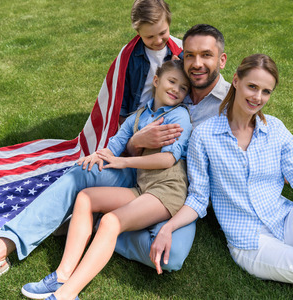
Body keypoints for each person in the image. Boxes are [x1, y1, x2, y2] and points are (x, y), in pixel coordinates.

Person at [0, 23, 231, 299]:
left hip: (174, 190)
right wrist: (136, 143)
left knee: (168, 257)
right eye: (190, 55)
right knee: (83, 173)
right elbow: (122, 143)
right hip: (139, 176)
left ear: (221, 60)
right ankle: (1, 252)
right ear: (180, 56)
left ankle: (88, 226)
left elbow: (186, 164)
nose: (196, 63)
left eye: (206, 56)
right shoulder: (160, 95)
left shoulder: (228, 105)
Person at [149, 54, 293, 299]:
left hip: (287, 224)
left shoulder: (276, 130)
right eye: (252, 86)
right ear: (236, 81)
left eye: (266, 91)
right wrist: (168, 228)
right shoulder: (204, 136)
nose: (258, 97)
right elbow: (197, 198)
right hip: (251, 244)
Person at [22, 60, 192, 300]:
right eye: (172, 81)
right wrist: (97, 156)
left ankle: (68, 294)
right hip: (142, 188)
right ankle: (62, 274)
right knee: (85, 198)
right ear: (157, 81)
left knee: (111, 222)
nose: (176, 89)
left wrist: (125, 162)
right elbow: (113, 147)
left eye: (183, 88)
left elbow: (166, 160)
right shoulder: (139, 116)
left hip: (167, 191)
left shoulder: (180, 115)